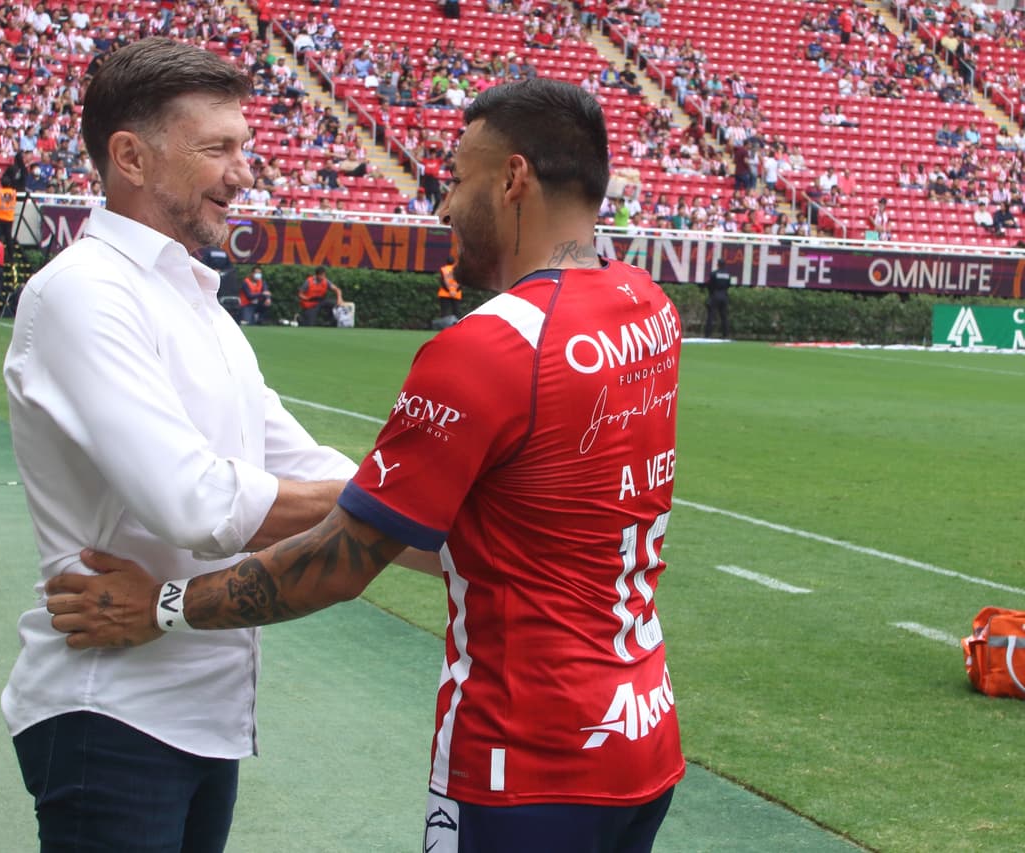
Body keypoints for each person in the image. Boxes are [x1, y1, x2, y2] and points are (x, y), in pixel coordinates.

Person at [45, 77, 686, 853]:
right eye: (221, 147)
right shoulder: (648, 305)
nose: (445, 206)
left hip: (526, 751)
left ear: (514, 178)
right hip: (642, 725)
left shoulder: (489, 346)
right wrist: (397, 502)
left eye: (457, 178)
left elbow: (338, 561)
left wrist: (164, 606)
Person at [0, 40, 360, 853]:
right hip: (110, 709)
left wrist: (456, 522)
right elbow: (193, 501)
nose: (244, 171)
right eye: (218, 148)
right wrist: (399, 502)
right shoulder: (82, 292)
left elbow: (309, 470)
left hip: (200, 713)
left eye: (245, 147)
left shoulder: (203, 310)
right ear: (130, 155)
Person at [703, 262, 732, 338]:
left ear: (718, 264)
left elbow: (710, 285)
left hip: (715, 295)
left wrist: (711, 294)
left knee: (711, 316)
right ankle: (725, 334)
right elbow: (729, 285)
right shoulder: (728, 275)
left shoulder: (714, 274)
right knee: (724, 316)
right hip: (724, 295)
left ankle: (708, 335)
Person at [0, 176, 17, 244]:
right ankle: (10, 254)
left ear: (1, 184)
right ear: (9, 184)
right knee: (8, 238)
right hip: (9, 218)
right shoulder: (13, 193)